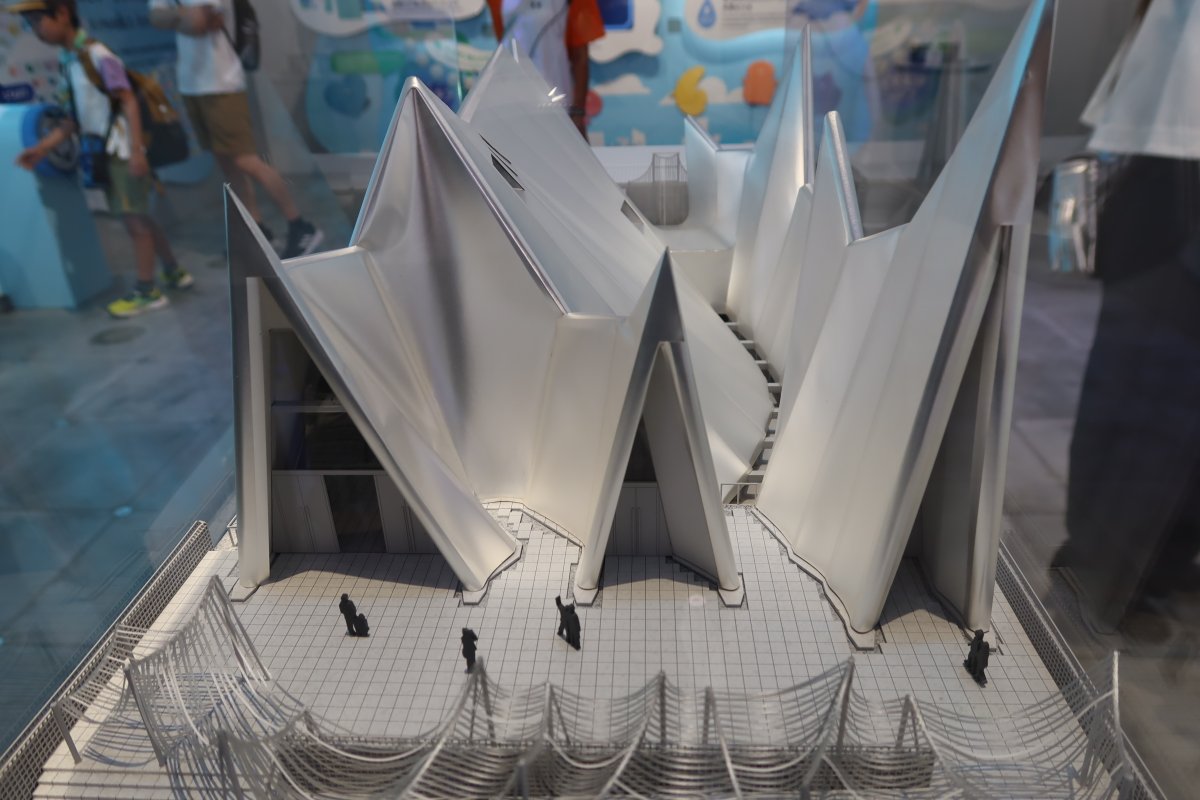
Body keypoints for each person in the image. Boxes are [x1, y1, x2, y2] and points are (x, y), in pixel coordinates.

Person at [11, 0, 193, 318]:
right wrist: (42, 148)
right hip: (106, 152)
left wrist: (137, 151)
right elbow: (73, 119)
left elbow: (128, 100)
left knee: (134, 221)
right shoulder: (70, 60)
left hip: (122, 151)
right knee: (140, 216)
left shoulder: (97, 54)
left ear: (62, 14)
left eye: (38, 20)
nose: (35, 29)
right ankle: (173, 270)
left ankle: (147, 290)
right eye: (30, 23)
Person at [146, 0, 323, 258]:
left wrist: (177, 16)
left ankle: (301, 226)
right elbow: (157, 18)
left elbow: (198, 22)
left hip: (222, 84)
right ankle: (257, 230)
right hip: (192, 85)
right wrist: (183, 16)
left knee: (246, 160)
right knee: (227, 164)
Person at [486, 0, 605, 138]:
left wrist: (577, 113)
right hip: (510, 105)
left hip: (556, 107)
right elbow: (504, 43)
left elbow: (580, 57)